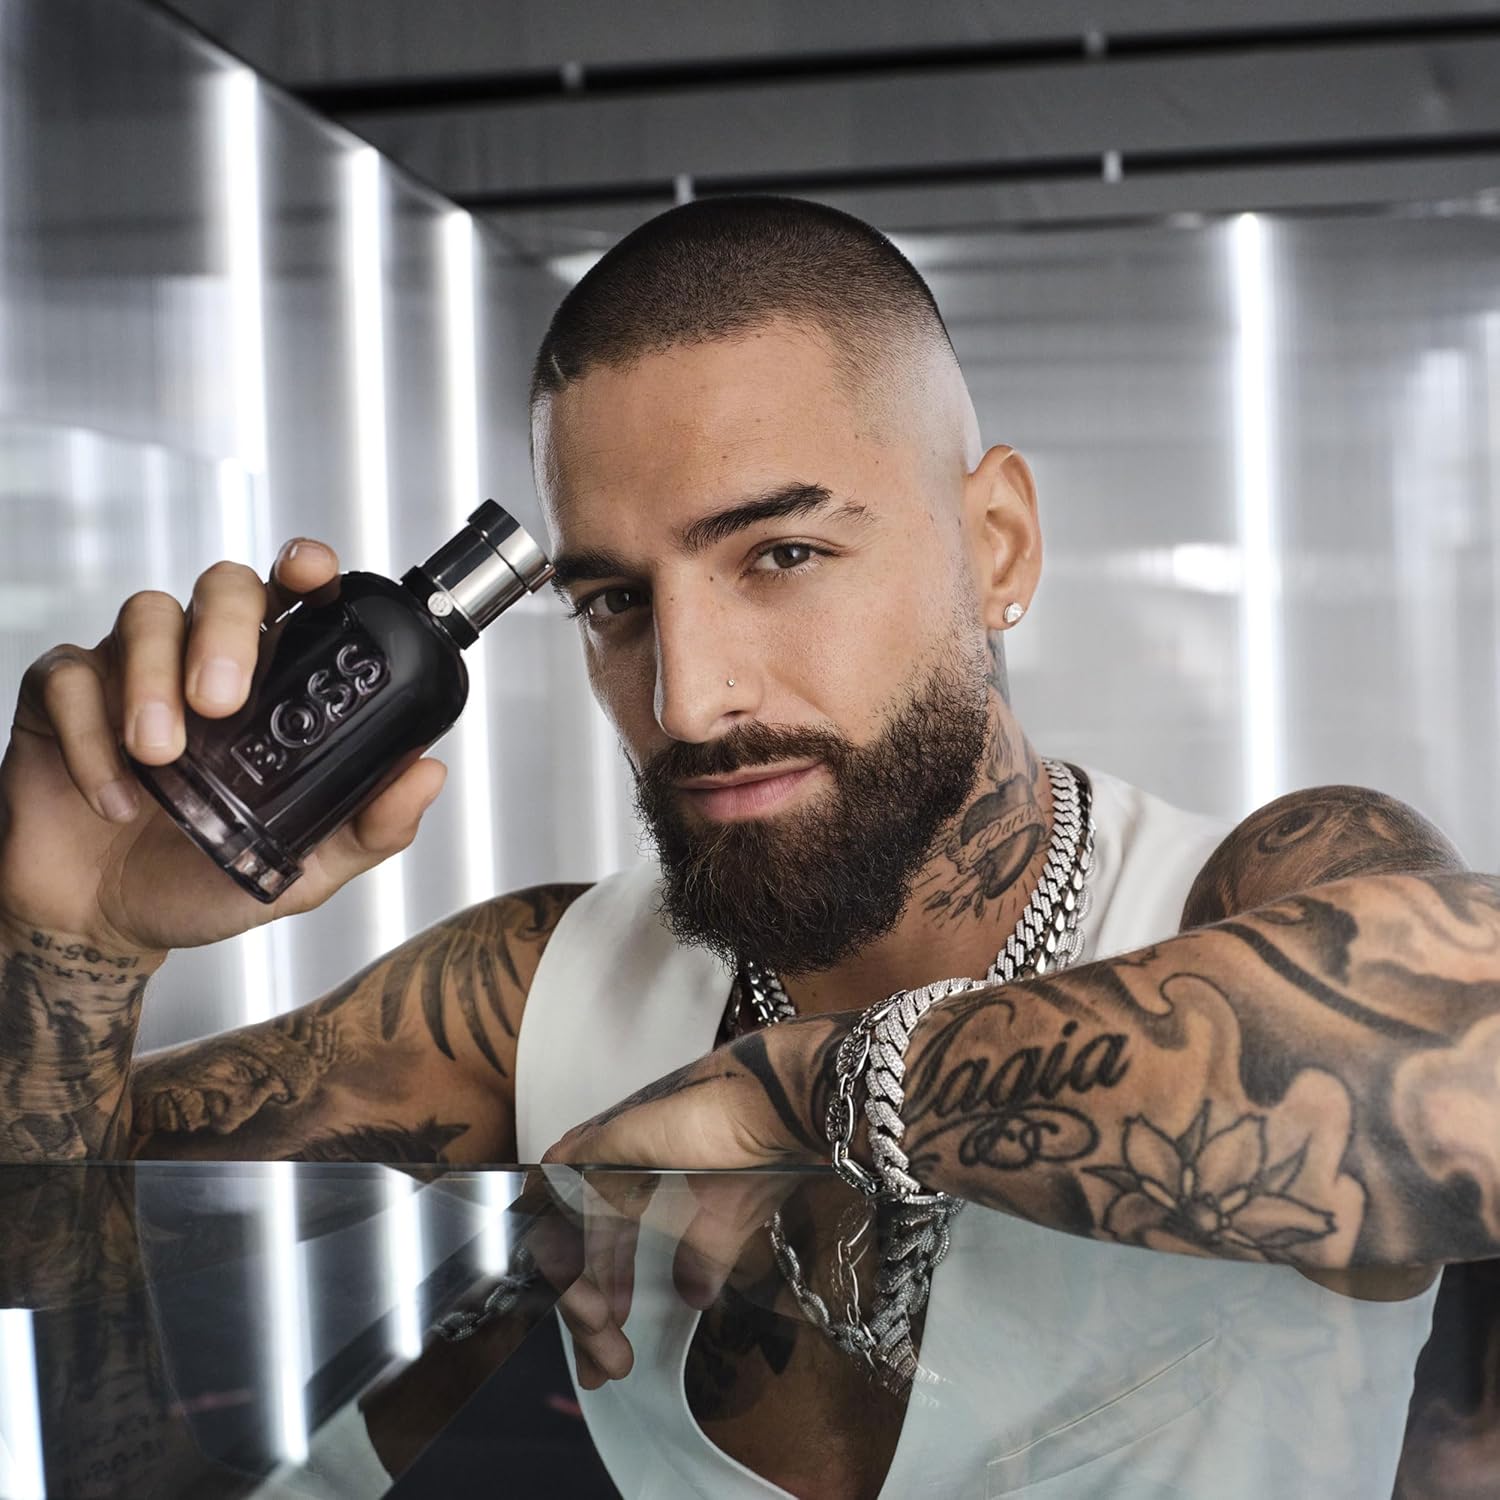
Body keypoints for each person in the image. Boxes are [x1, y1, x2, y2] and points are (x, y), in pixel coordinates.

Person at [2, 195, 1498, 1497]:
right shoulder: (536, 1000)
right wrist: (75, 940)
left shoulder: (1255, 898)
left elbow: (1471, 1080)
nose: (687, 696)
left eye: (782, 554)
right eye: (614, 602)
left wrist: (798, 1093)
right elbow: (40, 1276)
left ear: (997, 544)